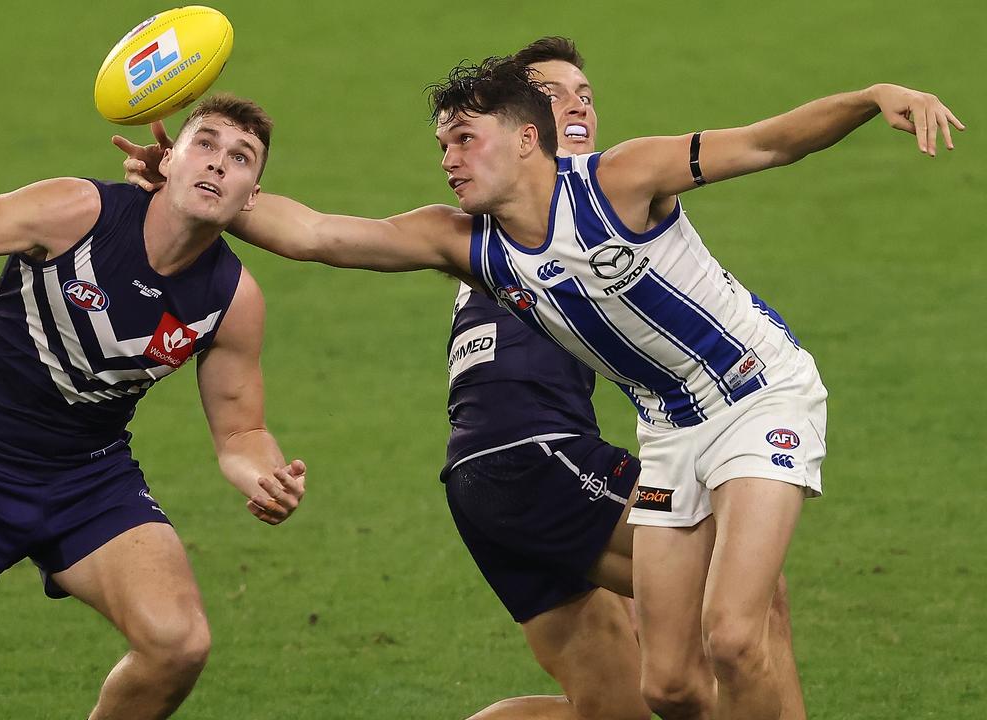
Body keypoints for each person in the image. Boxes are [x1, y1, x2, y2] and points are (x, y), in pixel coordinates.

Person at [118, 57, 962, 720]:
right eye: (442, 144)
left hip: (760, 395)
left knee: (736, 632)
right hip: (671, 430)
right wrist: (199, 183)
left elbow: (771, 142)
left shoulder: (624, 181)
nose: (448, 160)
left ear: (528, 138)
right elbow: (318, 235)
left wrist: (869, 95)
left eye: (464, 140)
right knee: (668, 688)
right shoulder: (469, 246)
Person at [0, 95, 307, 720]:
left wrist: (265, 476)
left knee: (178, 645)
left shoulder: (232, 299)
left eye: (239, 158)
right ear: (170, 159)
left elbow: (242, 429)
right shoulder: (76, 211)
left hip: (87, 479)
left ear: (252, 197)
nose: (217, 164)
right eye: (205, 144)